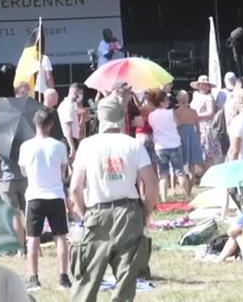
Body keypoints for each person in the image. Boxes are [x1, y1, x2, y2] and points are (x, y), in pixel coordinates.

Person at [69, 95, 158, 302]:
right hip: (128, 212)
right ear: (122, 116)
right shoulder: (133, 144)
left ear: (99, 118)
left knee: (88, 275)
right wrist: (145, 212)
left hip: (97, 211)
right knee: (127, 275)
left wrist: (85, 214)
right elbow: (151, 183)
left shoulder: (87, 145)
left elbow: (75, 188)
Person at [18, 109, 71, 291]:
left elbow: (23, 171)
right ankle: (63, 278)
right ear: (51, 125)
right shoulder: (59, 146)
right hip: (55, 195)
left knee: (32, 239)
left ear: (35, 123)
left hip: (34, 196)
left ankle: (33, 278)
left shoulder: (25, 146)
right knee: (61, 238)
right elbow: (63, 171)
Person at [146, 89, 190, 201]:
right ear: (161, 102)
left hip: (160, 146)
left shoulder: (151, 115)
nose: (169, 101)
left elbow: (152, 127)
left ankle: (164, 198)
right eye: (166, 100)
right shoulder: (171, 112)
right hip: (174, 144)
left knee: (163, 174)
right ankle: (187, 196)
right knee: (180, 172)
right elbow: (178, 123)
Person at [190, 75, 221, 165]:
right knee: (199, 153)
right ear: (198, 85)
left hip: (205, 126)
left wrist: (197, 116)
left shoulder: (209, 98)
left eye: (206, 85)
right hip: (195, 125)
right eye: (201, 84)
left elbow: (211, 113)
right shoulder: (195, 95)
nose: (203, 86)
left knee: (207, 152)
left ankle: (209, 172)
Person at [174, 90, 204, 177]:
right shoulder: (193, 112)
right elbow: (198, 129)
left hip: (180, 136)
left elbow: (175, 126)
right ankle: (192, 179)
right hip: (192, 136)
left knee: (180, 161)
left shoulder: (175, 112)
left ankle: (179, 181)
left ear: (178, 99)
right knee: (192, 162)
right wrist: (198, 139)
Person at [58, 83, 84, 160]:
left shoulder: (71, 105)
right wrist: (72, 147)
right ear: (77, 93)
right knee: (72, 166)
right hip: (69, 140)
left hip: (72, 139)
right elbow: (67, 128)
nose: (81, 96)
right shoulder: (68, 106)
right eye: (80, 94)